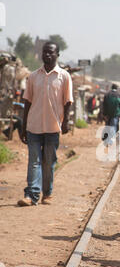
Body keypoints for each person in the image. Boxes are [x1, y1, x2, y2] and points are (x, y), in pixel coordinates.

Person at [18, 41, 73, 206]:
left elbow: (68, 101)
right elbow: (27, 102)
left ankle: (47, 193)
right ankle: (31, 195)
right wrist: (23, 125)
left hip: (53, 127)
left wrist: (66, 122)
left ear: (57, 55)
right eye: (44, 52)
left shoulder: (64, 76)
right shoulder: (33, 76)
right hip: (33, 126)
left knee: (48, 162)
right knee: (33, 161)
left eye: (50, 52)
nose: (47, 55)